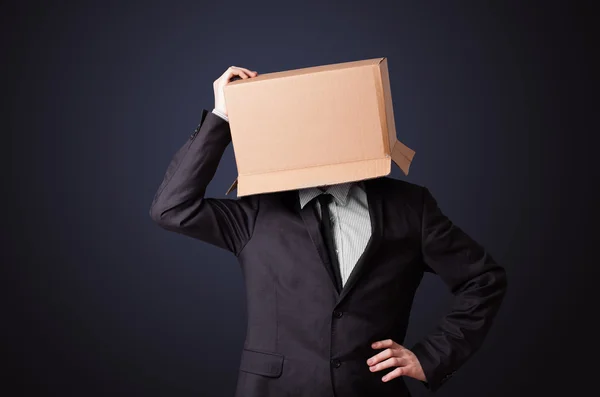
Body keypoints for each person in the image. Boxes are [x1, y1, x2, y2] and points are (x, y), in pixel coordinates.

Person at [149, 66, 507, 397]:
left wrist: (430, 357)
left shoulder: (410, 207)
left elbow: (483, 280)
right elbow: (171, 208)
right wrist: (223, 115)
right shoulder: (256, 211)